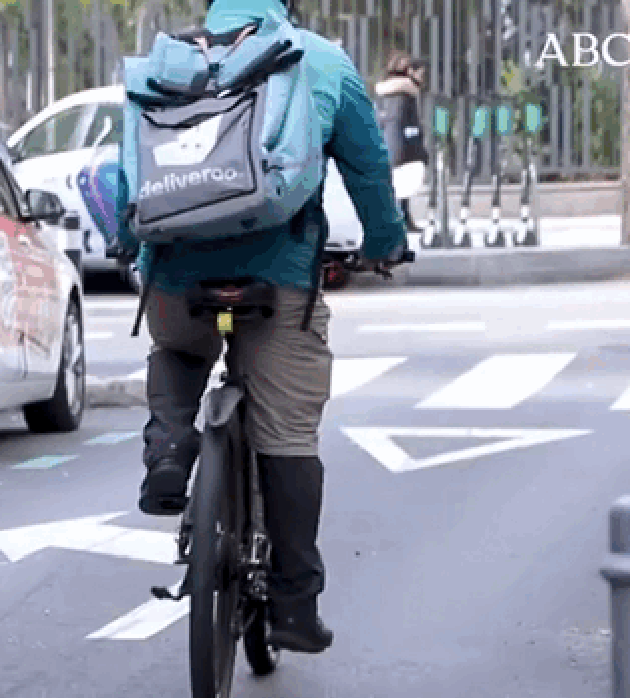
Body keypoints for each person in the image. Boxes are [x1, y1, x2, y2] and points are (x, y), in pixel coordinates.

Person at [120, 0, 409, 655]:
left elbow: (126, 173)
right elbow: (367, 166)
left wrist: (125, 245)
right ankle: (293, 607)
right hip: (275, 277)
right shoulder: (319, 59)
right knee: (289, 432)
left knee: (177, 349)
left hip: (174, 274)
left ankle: (168, 452)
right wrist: (385, 242)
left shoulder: (168, 60)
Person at [375, 51, 429, 232]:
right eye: (420, 72)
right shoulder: (405, 94)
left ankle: (402, 220)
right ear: (410, 72)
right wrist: (420, 150)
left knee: (397, 187)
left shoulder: (383, 93)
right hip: (402, 147)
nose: (422, 77)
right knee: (401, 187)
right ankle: (400, 222)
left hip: (386, 144)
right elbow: (408, 125)